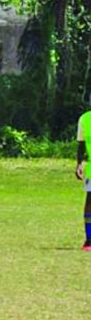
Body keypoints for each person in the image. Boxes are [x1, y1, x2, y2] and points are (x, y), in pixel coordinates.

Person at [76, 105, 91, 251]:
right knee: (90, 202)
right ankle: (89, 240)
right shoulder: (85, 119)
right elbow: (81, 144)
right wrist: (79, 164)